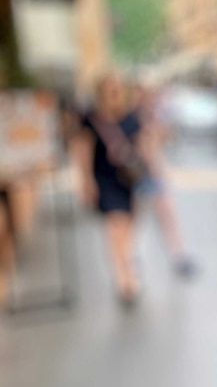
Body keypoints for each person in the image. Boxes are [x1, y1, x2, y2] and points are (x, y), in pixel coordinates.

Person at [72, 72, 143, 306]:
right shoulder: (91, 120)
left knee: (128, 228)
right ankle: (123, 277)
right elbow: (82, 151)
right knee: (115, 226)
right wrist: (86, 181)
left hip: (128, 181)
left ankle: (127, 266)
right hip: (104, 179)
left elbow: (143, 148)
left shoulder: (131, 118)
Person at [131, 83, 197, 278]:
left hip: (154, 174)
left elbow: (163, 140)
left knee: (164, 216)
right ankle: (136, 256)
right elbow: (145, 149)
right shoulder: (134, 121)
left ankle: (176, 255)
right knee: (140, 218)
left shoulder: (152, 118)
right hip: (144, 175)